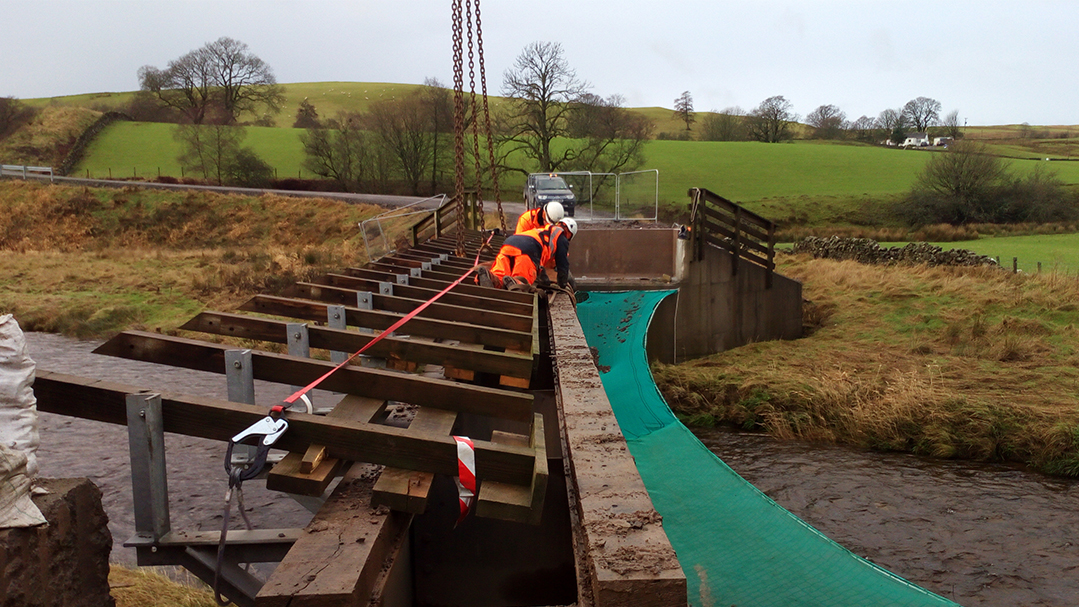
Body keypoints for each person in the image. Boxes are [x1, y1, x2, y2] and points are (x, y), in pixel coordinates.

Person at [477, 218, 578, 292]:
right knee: (522, 282)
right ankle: (515, 283)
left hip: (509, 243)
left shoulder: (543, 232)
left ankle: (489, 277)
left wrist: (545, 282)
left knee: (499, 275)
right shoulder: (561, 237)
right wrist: (562, 285)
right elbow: (563, 264)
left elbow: (541, 268)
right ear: (570, 233)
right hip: (528, 249)